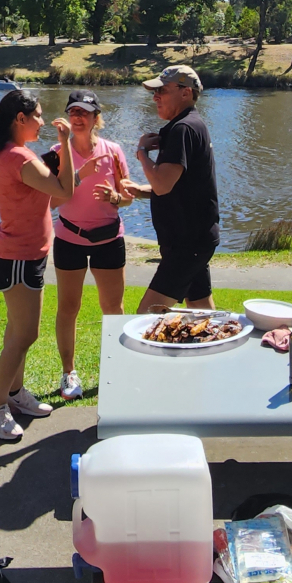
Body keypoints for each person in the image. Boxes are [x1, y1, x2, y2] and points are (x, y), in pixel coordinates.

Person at [0, 90, 74, 442]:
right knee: (25, 335)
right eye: (38, 115)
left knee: (16, 330)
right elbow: (66, 191)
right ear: (20, 118)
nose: (43, 122)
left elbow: (46, 187)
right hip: (17, 256)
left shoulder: (17, 154)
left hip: (24, 254)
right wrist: (67, 146)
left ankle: (15, 395)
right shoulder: (18, 157)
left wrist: (60, 155)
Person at [46, 90, 133, 401]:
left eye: (85, 112)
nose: (78, 118)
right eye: (73, 112)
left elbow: (127, 195)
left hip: (109, 240)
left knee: (113, 308)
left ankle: (117, 366)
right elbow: (52, 201)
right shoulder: (58, 152)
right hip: (69, 238)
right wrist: (80, 176)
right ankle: (69, 372)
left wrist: (116, 198)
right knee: (69, 308)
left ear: (97, 118)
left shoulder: (113, 151)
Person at [124, 66, 221, 313]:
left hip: (187, 244)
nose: (155, 97)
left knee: (146, 315)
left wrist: (142, 153)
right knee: (200, 310)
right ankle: (217, 349)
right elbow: (180, 187)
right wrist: (140, 190)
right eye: (155, 91)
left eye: (162, 91)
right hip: (193, 240)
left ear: (185, 93)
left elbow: (163, 184)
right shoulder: (190, 125)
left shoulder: (183, 129)